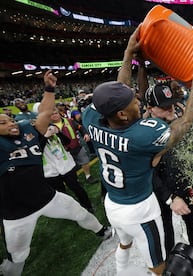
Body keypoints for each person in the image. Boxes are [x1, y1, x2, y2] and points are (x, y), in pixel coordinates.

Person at [81, 26, 193, 275]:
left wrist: (129, 54)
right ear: (120, 113)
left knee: (124, 243)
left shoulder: (92, 118)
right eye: (133, 102)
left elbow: (119, 89)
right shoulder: (144, 134)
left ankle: (121, 272)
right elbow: (183, 124)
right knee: (161, 266)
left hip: (113, 204)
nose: (137, 101)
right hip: (139, 209)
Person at [0, 70, 112, 276]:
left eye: (10, 119)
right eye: (3, 122)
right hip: (17, 212)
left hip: (46, 196)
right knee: (19, 256)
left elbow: (44, 114)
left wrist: (50, 88)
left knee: (79, 212)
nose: (11, 123)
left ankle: (102, 231)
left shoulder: (27, 131)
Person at [144, 84, 193, 266]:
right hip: (161, 191)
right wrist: (169, 198)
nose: (171, 108)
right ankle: (169, 256)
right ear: (150, 108)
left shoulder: (181, 120)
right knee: (165, 227)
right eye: (164, 106)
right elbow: (146, 172)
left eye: (171, 103)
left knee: (192, 218)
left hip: (183, 182)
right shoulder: (143, 133)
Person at [40, 124, 95, 214]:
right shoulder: (36, 136)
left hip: (66, 165)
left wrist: (58, 133)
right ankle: (69, 211)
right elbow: (38, 149)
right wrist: (45, 136)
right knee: (61, 193)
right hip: (50, 171)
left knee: (76, 187)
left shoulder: (53, 130)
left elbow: (67, 141)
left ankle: (87, 205)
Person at [50, 106, 97, 184]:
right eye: (52, 114)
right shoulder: (49, 126)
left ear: (59, 113)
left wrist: (85, 134)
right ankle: (76, 180)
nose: (55, 115)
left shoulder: (69, 121)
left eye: (56, 113)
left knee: (84, 161)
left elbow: (80, 127)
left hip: (76, 146)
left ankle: (88, 176)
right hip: (63, 151)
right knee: (70, 166)